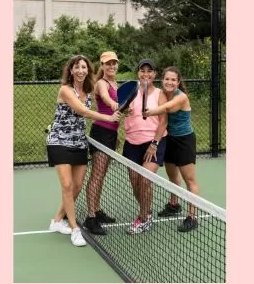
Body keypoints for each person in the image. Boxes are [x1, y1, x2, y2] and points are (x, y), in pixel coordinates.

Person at [46, 55, 120, 247]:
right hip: (59, 142)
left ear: (88, 70)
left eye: (84, 67)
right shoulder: (65, 90)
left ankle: (56, 221)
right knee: (68, 185)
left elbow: (106, 100)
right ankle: (75, 229)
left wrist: (118, 111)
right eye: (77, 67)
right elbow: (84, 112)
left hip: (79, 142)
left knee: (77, 186)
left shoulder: (87, 90)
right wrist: (109, 118)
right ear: (70, 70)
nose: (81, 70)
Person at [143, 67, 199, 232]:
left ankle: (192, 216)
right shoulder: (162, 93)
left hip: (184, 141)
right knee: (172, 177)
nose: (169, 82)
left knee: (190, 180)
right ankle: (174, 204)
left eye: (173, 80)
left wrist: (149, 112)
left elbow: (167, 109)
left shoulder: (181, 97)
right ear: (163, 80)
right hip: (169, 140)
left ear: (178, 82)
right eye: (167, 79)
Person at [122, 59, 168, 234]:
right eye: (143, 71)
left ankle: (144, 217)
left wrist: (154, 144)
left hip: (154, 142)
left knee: (145, 180)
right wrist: (123, 111)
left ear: (155, 74)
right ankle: (146, 211)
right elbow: (120, 111)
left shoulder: (160, 94)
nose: (146, 74)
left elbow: (164, 121)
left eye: (150, 71)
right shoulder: (131, 91)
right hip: (132, 142)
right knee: (135, 181)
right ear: (138, 73)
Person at [83, 51, 120, 235]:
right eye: (108, 64)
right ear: (102, 66)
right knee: (97, 175)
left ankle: (97, 210)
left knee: (102, 174)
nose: (111, 66)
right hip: (101, 133)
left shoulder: (115, 83)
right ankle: (90, 218)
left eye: (114, 63)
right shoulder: (101, 84)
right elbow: (106, 99)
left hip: (111, 134)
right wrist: (115, 105)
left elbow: (120, 112)